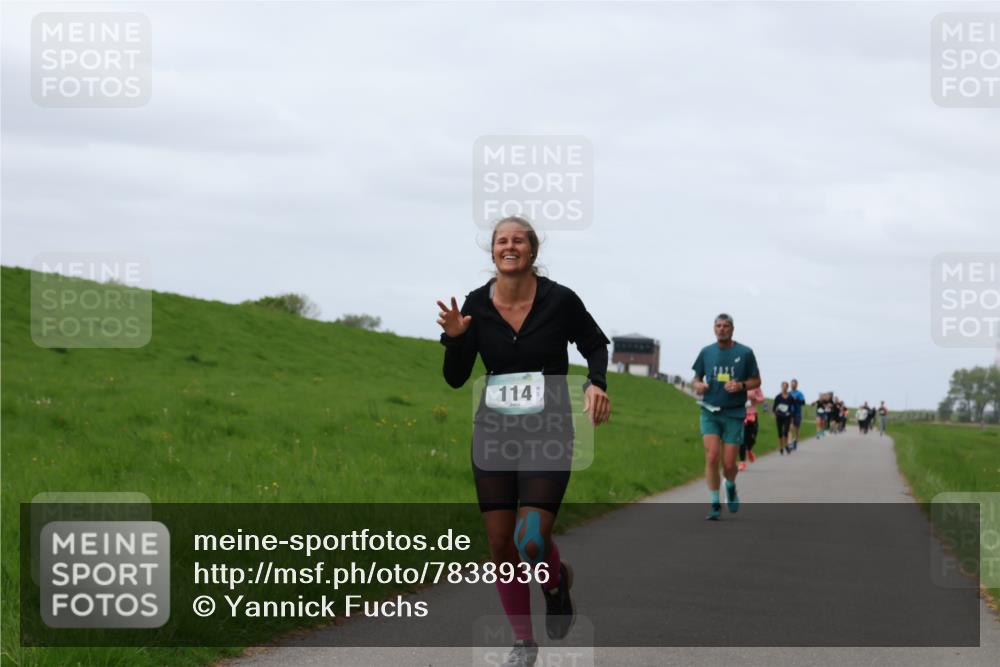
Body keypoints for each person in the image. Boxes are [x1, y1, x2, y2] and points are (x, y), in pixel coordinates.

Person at [437, 216, 611, 667]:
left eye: (518, 240)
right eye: (502, 240)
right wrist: (456, 340)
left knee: (530, 539)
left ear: (532, 250)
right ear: (492, 250)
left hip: (549, 429)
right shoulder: (476, 304)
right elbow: (456, 378)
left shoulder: (560, 300)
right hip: (494, 430)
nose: (509, 246)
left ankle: (554, 583)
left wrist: (596, 382)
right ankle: (523, 643)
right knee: (501, 544)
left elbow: (595, 344)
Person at [691, 313, 761, 520]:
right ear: (714, 328)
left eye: (726, 326)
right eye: (718, 326)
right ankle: (715, 503)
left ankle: (730, 486)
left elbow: (756, 380)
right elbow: (696, 378)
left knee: (729, 464)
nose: (721, 329)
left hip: (734, 412)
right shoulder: (707, 352)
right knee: (712, 457)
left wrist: (741, 385)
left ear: (732, 329)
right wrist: (699, 385)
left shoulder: (745, 353)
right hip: (709, 411)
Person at [739, 386, 765, 471]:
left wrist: (755, 398)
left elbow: (762, 399)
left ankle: (749, 449)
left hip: (752, 414)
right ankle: (742, 462)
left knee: (752, 437)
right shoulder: (738, 383)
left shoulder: (755, 386)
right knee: (742, 438)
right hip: (741, 414)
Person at [773, 381, 796, 454]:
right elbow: (774, 407)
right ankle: (781, 447)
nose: (784, 388)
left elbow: (793, 407)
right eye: (783, 386)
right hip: (779, 416)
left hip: (787, 416)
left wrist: (791, 415)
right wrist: (775, 414)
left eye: (786, 386)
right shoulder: (778, 397)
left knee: (786, 431)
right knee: (780, 432)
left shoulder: (790, 397)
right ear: (781, 387)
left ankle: (786, 446)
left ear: (787, 388)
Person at [788, 379, 805, 450]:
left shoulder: (799, 393)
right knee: (790, 428)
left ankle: (795, 441)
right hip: (790, 412)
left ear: (796, 385)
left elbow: (803, 403)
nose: (792, 385)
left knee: (797, 430)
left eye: (794, 384)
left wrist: (796, 399)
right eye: (791, 384)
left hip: (797, 413)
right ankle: (790, 444)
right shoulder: (788, 393)